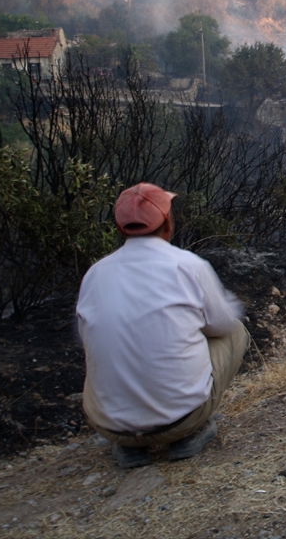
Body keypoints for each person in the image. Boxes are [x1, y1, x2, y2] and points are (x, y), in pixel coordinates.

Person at [77, 183, 250, 469]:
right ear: (167, 222)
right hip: (180, 422)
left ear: (120, 229)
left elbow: (88, 340)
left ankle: (129, 445)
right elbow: (223, 324)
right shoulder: (188, 265)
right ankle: (191, 432)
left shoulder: (94, 275)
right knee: (235, 332)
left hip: (110, 425)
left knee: (104, 350)